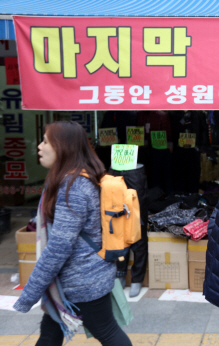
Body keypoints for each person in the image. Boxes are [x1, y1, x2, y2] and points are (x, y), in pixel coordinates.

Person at [14, 121, 132, 346]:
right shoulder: (74, 179)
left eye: (46, 141)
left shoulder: (74, 186)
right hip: (80, 277)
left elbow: (59, 247)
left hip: (82, 282)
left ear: (62, 147)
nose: (39, 147)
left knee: (108, 333)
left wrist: (29, 294)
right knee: (50, 334)